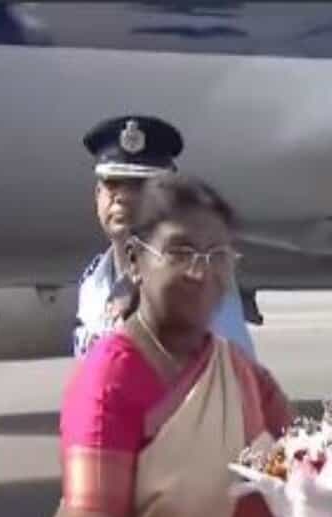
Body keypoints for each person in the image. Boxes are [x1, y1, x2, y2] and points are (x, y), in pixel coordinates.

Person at [32, 174, 332, 517]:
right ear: (134, 260)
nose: (201, 272)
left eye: (218, 255)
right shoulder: (110, 379)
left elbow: (309, 468)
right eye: (179, 252)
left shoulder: (241, 375)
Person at [74, 115, 257, 360]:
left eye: (138, 186)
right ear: (98, 194)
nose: (122, 197)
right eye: (112, 184)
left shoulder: (196, 280)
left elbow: (234, 371)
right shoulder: (94, 284)